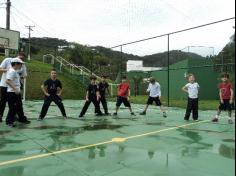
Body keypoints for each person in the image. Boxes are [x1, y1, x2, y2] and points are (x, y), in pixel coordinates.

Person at [0, 52, 27, 123]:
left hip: (14, 88)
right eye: (20, 58)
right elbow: (7, 80)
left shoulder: (22, 65)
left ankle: (17, 118)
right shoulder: (8, 61)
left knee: (17, 104)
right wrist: (9, 71)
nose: (21, 61)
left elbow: (24, 75)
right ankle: (4, 118)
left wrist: (17, 76)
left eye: (22, 59)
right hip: (6, 86)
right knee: (4, 102)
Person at [5, 58, 30, 127]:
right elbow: (7, 81)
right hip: (12, 93)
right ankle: (9, 122)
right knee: (13, 108)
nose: (21, 66)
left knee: (19, 106)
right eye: (20, 64)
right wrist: (15, 89)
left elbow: (14, 80)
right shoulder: (12, 71)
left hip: (16, 93)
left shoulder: (14, 71)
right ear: (15, 64)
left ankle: (22, 119)